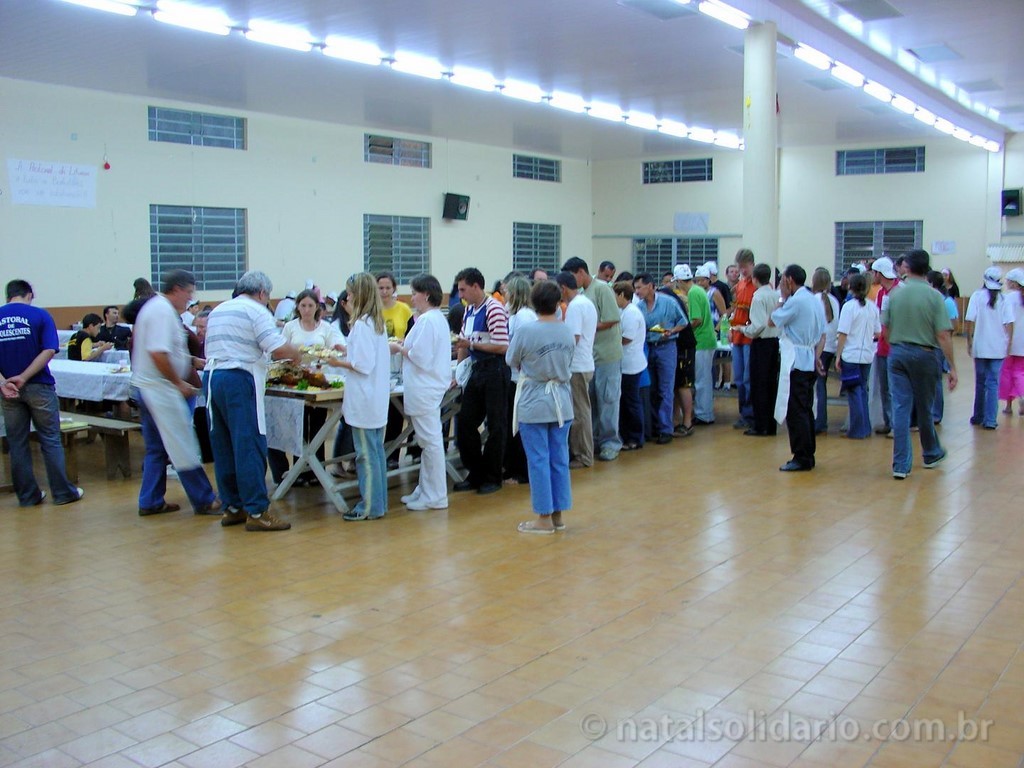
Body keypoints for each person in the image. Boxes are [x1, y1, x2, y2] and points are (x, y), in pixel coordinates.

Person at [205, 271, 301, 531]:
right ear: (262, 293)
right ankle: (257, 511)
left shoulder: (219, 310)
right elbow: (277, 348)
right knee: (248, 444)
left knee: (223, 444)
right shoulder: (257, 310)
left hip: (213, 378)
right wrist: (298, 354)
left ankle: (233, 507)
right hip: (240, 378)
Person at [131, 270, 220, 517]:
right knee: (182, 443)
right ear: (178, 289)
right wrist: (178, 383)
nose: (190, 299)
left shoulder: (158, 309)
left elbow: (167, 350)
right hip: (160, 389)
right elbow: (158, 353)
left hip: (149, 386)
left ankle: (150, 500)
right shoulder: (160, 311)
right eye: (189, 292)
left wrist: (192, 361)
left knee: (157, 448)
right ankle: (204, 500)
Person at [0, 279, 84, 507]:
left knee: (17, 443)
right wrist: (25, 377)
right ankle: (63, 493)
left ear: (8, 296)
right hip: (39, 385)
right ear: (29, 295)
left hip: (8, 391)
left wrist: (3, 382)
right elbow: (48, 350)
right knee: (50, 439)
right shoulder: (40, 315)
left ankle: (28, 496)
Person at [505, 279, 575, 535]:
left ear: (533, 303)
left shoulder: (526, 331)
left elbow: (511, 359)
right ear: (558, 303)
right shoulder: (566, 330)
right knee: (559, 458)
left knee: (538, 459)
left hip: (535, 401)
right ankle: (557, 514)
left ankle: (543, 518)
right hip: (562, 402)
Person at [883, 249, 958, 479]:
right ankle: (930, 452)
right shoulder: (935, 297)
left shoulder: (894, 295)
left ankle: (900, 465)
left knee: (901, 408)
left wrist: (897, 345)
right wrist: (952, 366)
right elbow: (943, 335)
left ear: (907, 268)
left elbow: (885, 329)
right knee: (925, 407)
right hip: (925, 355)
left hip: (897, 354)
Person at [325, 273, 390, 521]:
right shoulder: (374, 322)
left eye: (350, 293)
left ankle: (370, 506)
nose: (348, 297)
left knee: (365, 455)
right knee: (375, 453)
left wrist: (336, 362)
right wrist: (346, 349)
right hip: (374, 397)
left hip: (365, 398)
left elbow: (362, 365)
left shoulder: (362, 324)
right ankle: (378, 502)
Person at [269, 289, 346, 486]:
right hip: (298, 381)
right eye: (303, 305)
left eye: (310, 305)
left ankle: (316, 470)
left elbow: (333, 349)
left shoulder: (326, 328)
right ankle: (299, 469)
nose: (306, 309)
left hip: (319, 381)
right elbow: (283, 351)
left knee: (319, 424)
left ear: (317, 307)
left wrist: (330, 353)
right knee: (300, 427)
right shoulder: (290, 327)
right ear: (298, 307)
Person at [388, 274, 452, 512]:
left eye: (414, 293)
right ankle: (425, 490)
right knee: (427, 442)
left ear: (425, 294)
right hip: (426, 387)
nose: (411, 297)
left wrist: (399, 348)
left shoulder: (428, 321)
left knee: (430, 442)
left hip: (426, 387)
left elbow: (420, 357)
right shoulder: (432, 319)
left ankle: (435, 494)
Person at [453, 267, 511, 495]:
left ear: (476, 286)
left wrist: (472, 346)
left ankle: (493, 476)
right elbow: (463, 344)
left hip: (495, 370)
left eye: (463, 289)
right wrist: (459, 374)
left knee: (496, 425)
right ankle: (475, 472)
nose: (460, 295)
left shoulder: (494, 309)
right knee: (466, 423)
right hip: (476, 371)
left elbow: (502, 345)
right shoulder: (468, 312)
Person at [563, 257, 622, 462]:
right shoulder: (581, 295)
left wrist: (586, 326)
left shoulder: (602, 289)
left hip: (606, 354)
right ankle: (593, 441)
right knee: (590, 403)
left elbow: (613, 318)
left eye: (572, 277)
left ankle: (610, 443)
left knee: (608, 399)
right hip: (588, 355)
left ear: (581, 272)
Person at [769, 264, 826, 472]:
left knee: (796, 410)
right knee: (805, 408)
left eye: (783, 280)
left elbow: (772, 320)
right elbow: (822, 333)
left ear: (789, 281)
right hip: (808, 357)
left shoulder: (796, 301)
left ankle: (801, 456)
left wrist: (783, 297)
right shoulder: (813, 299)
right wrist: (817, 357)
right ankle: (807, 453)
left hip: (797, 361)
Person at [634, 272, 687, 444]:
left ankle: (666, 429)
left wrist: (672, 331)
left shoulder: (668, 302)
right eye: (635, 288)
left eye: (639, 287)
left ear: (650, 286)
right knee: (652, 389)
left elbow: (683, 321)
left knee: (666, 389)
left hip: (666, 347)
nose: (637, 291)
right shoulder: (639, 307)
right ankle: (654, 426)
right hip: (649, 348)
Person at [555, 271, 597, 468]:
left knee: (580, 413)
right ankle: (582, 452)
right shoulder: (586, 303)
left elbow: (573, 339)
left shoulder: (575, 307)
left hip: (577, 366)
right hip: (585, 362)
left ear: (563, 288)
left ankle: (584, 455)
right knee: (582, 410)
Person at [964, 267, 1014, 430]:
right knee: (993, 383)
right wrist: (1009, 343)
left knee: (980, 382)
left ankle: (978, 416)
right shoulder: (1003, 299)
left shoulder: (977, 296)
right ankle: (990, 419)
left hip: (981, 346)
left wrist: (969, 342)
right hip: (998, 347)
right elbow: (1009, 323)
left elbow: (970, 320)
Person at [834, 273, 880, 440]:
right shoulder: (872, 307)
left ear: (850, 287)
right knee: (862, 391)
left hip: (851, 355)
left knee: (854, 392)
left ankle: (857, 430)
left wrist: (838, 355)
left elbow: (843, 333)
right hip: (867, 354)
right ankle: (865, 427)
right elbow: (878, 332)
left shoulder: (849, 307)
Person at [736, 263, 780, 437]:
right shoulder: (775, 295)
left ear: (754, 279)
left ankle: (760, 425)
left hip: (761, 344)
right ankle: (770, 424)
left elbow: (758, 325)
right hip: (773, 342)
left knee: (758, 385)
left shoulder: (758, 297)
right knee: (770, 385)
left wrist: (743, 329)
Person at [502, 276, 537, 484]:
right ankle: (513, 466)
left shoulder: (523, 317)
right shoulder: (517, 315)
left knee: (518, 426)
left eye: (507, 291)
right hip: (516, 376)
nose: (504, 295)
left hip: (520, 378)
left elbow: (521, 348)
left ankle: (520, 471)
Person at [613, 281, 646, 450]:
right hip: (625, 363)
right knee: (625, 401)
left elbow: (627, 338)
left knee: (631, 401)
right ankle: (627, 435)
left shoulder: (632, 313)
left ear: (621, 295)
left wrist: (610, 343)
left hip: (631, 364)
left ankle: (635, 437)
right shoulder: (623, 311)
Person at [871, 256, 900, 435]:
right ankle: (888, 421)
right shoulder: (881, 293)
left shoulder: (899, 291)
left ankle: (897, 424)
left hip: (896, 346)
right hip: (882, 346)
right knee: (885, 387)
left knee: (895, 388)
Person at [729, 248, 756, 429]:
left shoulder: (757, 286)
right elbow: (736, 311)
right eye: (740, 267)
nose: (742, 271)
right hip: (737, 335)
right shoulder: (738, 286)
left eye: (745, 267)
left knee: (748, 378)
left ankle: (751, 414)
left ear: (752, 265)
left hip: (749, 337)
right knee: (738, 378)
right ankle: (743, 413)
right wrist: (731, 327)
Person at [812, 268, 840, 434]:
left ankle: (818, 420)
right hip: (831, 346)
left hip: (818, 346)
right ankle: (821, 419)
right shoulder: (834, 301)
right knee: (822, 383)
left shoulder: (814, 299)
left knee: (817, 385)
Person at [690, 265, 718, 427]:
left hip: (701, 341)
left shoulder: (694, 292)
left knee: (701, 380)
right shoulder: (700, 291)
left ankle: (703, 414)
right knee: (704, 378)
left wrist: (684, 329)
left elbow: (697, 319)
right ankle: (704, 412)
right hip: (706, 340)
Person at [999, 268, 1024, 416]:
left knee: (1007, 372)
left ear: (1013, 282)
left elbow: (1007, 320)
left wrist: (1007, 341)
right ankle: (1021, 395)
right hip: (1023, 344)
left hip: (1010, 341)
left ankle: (1009, 405)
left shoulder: (1008, 298)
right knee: (1020, 372)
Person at [377, 272, 413, 340]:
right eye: (381, 288)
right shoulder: (370, 310)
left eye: (388, 288)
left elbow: (412, 337)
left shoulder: (404, 309)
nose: (384, 292)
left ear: (393, 289)